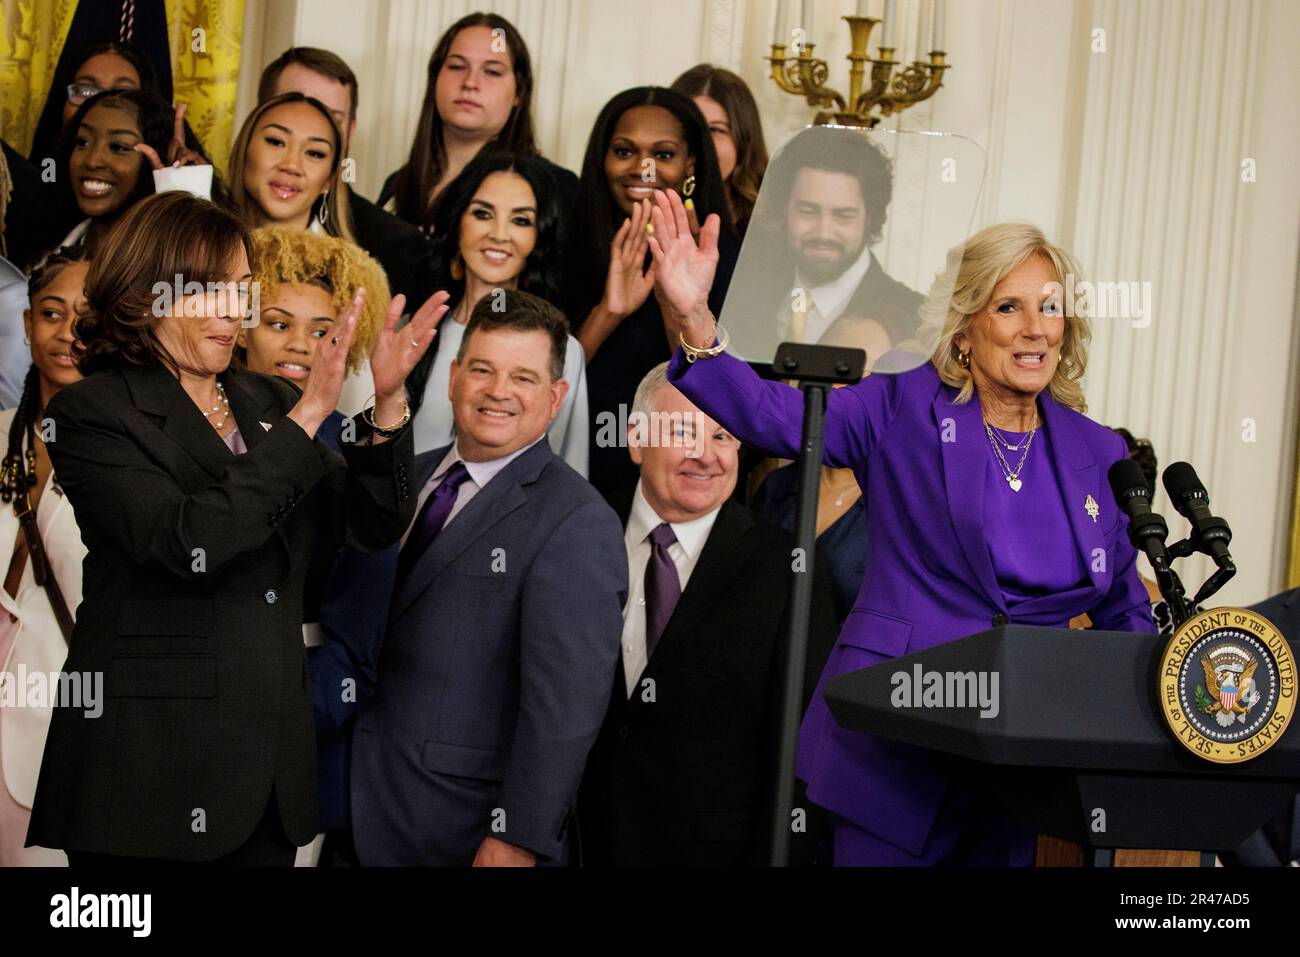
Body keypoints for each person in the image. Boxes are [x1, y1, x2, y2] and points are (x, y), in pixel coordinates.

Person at [646, 191, 1156, 865]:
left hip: (1017, 764)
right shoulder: (903, 405)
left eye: (1050, 306)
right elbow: (776, 415)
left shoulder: (1097, 451)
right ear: (965, 325)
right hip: (893, 740)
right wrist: (694, 318)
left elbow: (1124, 607)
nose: (1035, 327)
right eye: (1009, 306)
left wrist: (1152, 720)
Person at [25, 191, 446, 865]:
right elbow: (188, 541)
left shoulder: (267, 400)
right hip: (150, 772)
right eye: (213, 292)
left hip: (267, 776)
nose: (236, 312)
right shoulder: (92, 412)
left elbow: (367, 523)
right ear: (146, 294)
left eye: (243, 291)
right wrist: (307, 420)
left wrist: (389, 403)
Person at [350, 289, 626, 866]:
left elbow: (564, 713)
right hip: (353, 808)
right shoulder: (409, 475)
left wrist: (518, 837)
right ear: (452, 378)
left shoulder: (578, 522)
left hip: (463, 831)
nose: (498, 391)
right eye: (482, 370)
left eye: (523, 378)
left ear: (556, 399)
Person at [578, 362, 836, 865]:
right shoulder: (576, 534)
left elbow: (806, 754)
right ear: (635, 439)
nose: (706, 455)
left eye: (723, 436)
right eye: (683, 431)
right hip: (578, 844)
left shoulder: (791, 569)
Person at [239, 226, 410, 865]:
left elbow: (353, 654)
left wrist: (257, 726)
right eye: (277, 322)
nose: (299, 346)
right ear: (238, 326)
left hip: (292, 751)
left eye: (322, 330)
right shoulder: (192, 433)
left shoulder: (361, 453)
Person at [564, 86, 739, 494]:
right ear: (602, 158)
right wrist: (608, 313)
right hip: (575, 468)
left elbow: (721, 400)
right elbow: (544, 387)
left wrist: (676, 302)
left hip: (680, 479)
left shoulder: (723, 255)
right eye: (624, 151)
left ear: (691, 162)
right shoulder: (567, 244)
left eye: (663, 155)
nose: (643, 169)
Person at [408, 151, 588, 473]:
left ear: (539, 237)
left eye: (521, 220)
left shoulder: (565, 351)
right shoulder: (410, 334)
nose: (499, 234)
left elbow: (568, 472)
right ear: (457, 223)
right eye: (482, 214)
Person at [0, 250, 89, 866]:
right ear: (28, 324)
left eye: (88, 320)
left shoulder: (135, 461)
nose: (67, 334)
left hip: (66, 730)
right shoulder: (1, 429)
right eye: (53, 314)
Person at [256, 47, 437, 312]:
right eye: (292, 105)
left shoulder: (392, 247)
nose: (311, 123)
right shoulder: (206, 212)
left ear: (350, 131)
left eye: (331, 117)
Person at [378, 13, 578, 238]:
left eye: (492, 71)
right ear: (435, 79)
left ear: (519, 93)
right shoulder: (398, 184)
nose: (470, 83)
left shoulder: (555, 186)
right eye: (456, 66)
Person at [744, 125, 925, 353]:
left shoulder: (916, 317)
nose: (823, 232)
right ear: (784, 210)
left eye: (843, 216)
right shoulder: (747, 294)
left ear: (870, 217)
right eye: (808, 211)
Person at [51, 88, 215, 258]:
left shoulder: (166, 260)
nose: (92, 161)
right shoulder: (45, 248)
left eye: (118, 147)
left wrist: (182, 198)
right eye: (82, 142)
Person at [670, 65, 768, 238]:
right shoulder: (643, 211)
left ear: (744, 140)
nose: (702, 144)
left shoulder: (772, 224)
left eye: (716, 130)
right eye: (689, 128)